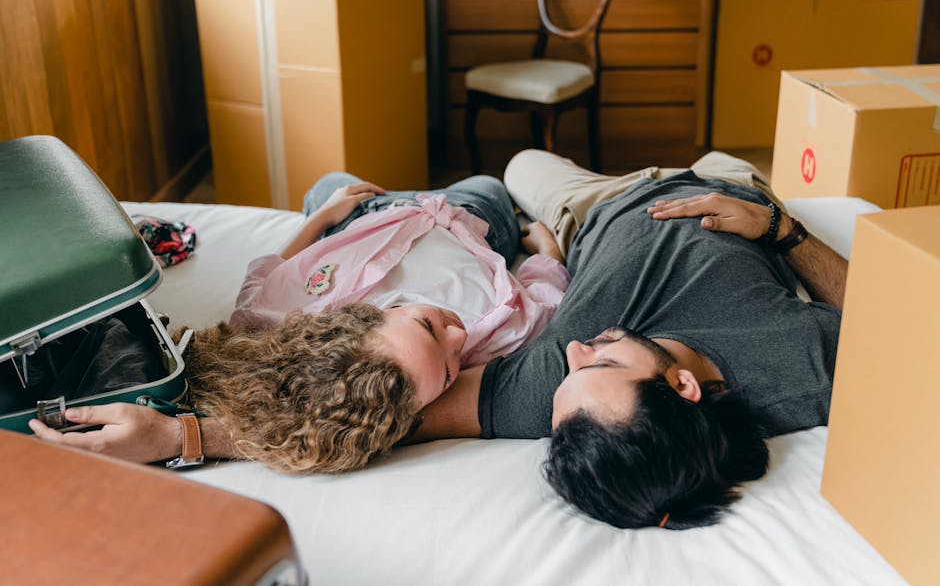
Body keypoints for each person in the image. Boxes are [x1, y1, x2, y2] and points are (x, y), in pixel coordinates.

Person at [413, 149, 846, 529]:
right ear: (681, 385)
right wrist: (780, 228)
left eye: (571, 372)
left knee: (520, 163)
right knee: (729, 157)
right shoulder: (802, 366)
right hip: (731, 186)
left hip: (591, 208)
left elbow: (391, 414)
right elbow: (895, 317)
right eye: (604, 362)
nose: (574, 350)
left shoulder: (557, 393)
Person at [29, 173, 569, 473]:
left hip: (378, 220)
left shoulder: (276, 314)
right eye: (447, 359)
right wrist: (547, 251)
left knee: (335, 183)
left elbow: (267, 274)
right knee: (487, 189)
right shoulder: (498, 326)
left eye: (434, 332)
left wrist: (322, 216)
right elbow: (544, 296)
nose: (458, 336)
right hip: (462, 223)